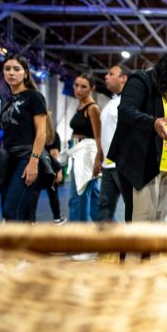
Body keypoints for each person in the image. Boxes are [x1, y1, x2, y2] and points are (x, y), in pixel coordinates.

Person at [107, 46, 167, 222]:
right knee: (141, 228)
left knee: (159, 225)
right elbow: (125, 110)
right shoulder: (141, 80)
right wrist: (152, 123)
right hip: (145, 166)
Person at [0, 55, 51, 222]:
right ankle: (24, 247)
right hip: (7, 160)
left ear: (25, 73)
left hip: (26, 158)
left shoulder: (34, 97)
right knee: (13, 210)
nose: (11, 73)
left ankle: (18, 247)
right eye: (7, 69)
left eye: (16, 69)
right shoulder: (8, 102)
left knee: (12, 209)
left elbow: (41, 132)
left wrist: (33, 162)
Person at [67, 74, 103, 222]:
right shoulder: (80, 105)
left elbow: (99, 136)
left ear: (92, 88)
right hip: (79, 152)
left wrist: (98, 160)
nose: (78, 90)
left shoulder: (93, 108)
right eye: (76, 85)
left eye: (83, 86)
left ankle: (77, 235)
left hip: (87, 154)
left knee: (78, 196)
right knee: (94, 197)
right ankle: (109, 228)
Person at [98, 64, 129, 221]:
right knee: (104, 209)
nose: (106, 76)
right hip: (107, 165)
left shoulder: (129, 103)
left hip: (122, 166)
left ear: (123, 78)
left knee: (132, 210)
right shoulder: (111, 103)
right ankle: (108, 245)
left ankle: (133, 245)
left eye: (111, 74)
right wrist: (100, 158)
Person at [29, 111, 65, 224]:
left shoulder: (34, 134)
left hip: (37, 168)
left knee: (33, 195)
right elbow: (55, 155)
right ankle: (57, 218)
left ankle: (32, 221)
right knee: (53, 194)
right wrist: (59, 172)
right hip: (49, 170)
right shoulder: (53, 135)